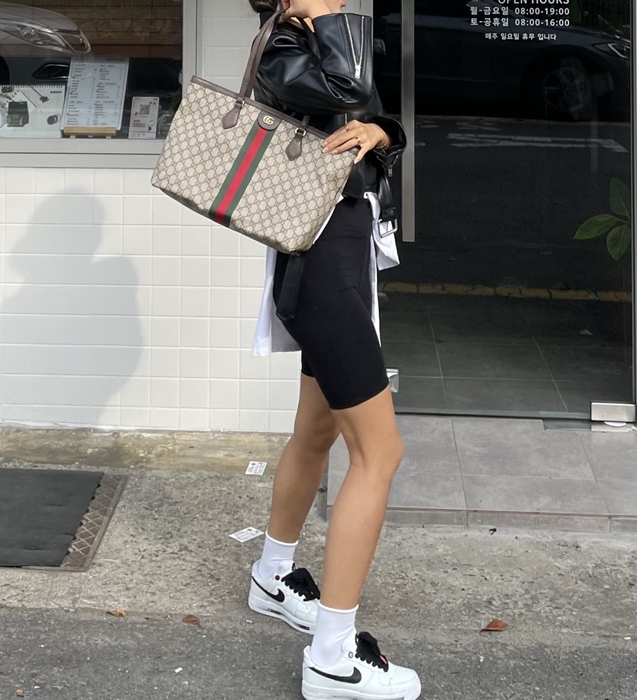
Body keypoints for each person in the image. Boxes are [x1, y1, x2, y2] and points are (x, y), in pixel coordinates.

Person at [246, 1, 421, 699]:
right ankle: (332, 657)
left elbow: (367, 116)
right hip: (320, 269)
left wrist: (381, 131)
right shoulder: (284, 50)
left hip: (340, 261)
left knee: (317, 430)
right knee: (380, 453)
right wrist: (320, 13)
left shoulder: (317, 46)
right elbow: (349, 86)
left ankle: (273, 574)